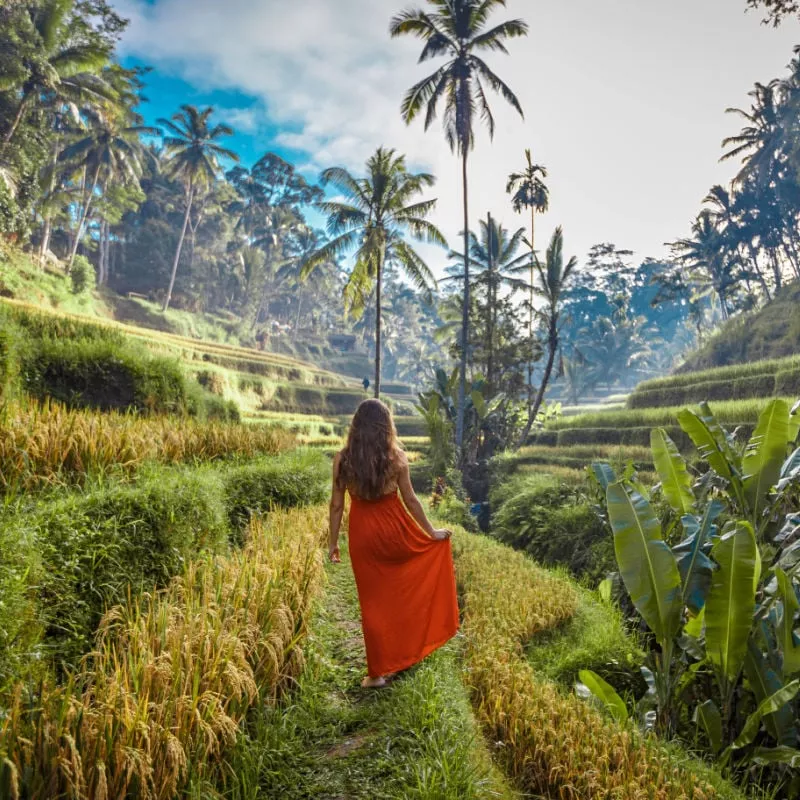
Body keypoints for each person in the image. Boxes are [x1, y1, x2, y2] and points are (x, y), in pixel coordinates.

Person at [328, 399, 459, 688]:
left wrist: (333, 543)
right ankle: (405, 654)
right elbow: (410, 500)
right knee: (402, 592)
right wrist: (431, 532)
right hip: (394, 530)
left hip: (363, 534)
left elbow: (336, 506)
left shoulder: (343, 459)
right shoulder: (396, 457)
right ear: (386, 426)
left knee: (371, 603)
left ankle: (376, 674)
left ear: (356, 426)